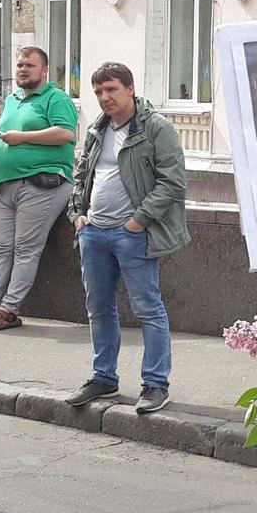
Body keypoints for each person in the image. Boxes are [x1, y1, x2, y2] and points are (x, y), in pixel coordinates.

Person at [65, 62, 190, 414]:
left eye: (111, 90)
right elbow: (81, 175)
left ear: (130, 89)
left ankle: (156, 384)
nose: (105, 97)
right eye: (98, 92)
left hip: (131, 234)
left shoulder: (155, 128)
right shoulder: (97, 128)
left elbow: (173, 182)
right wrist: (78, 215)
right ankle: (103, 377)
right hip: (93, 233)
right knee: (99, 309)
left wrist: (138, 221)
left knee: (148, 309)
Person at [0, 47, 76, 331]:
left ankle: (8, 310)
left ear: (44, 70)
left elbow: (66, 133)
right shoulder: (12, 99)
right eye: (20, 65)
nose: (23, 69)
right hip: (7, 185)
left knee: (26, 249)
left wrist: (21, 138)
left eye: (30, 65)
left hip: (41, 183)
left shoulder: (55, 98)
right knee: (1, 249)